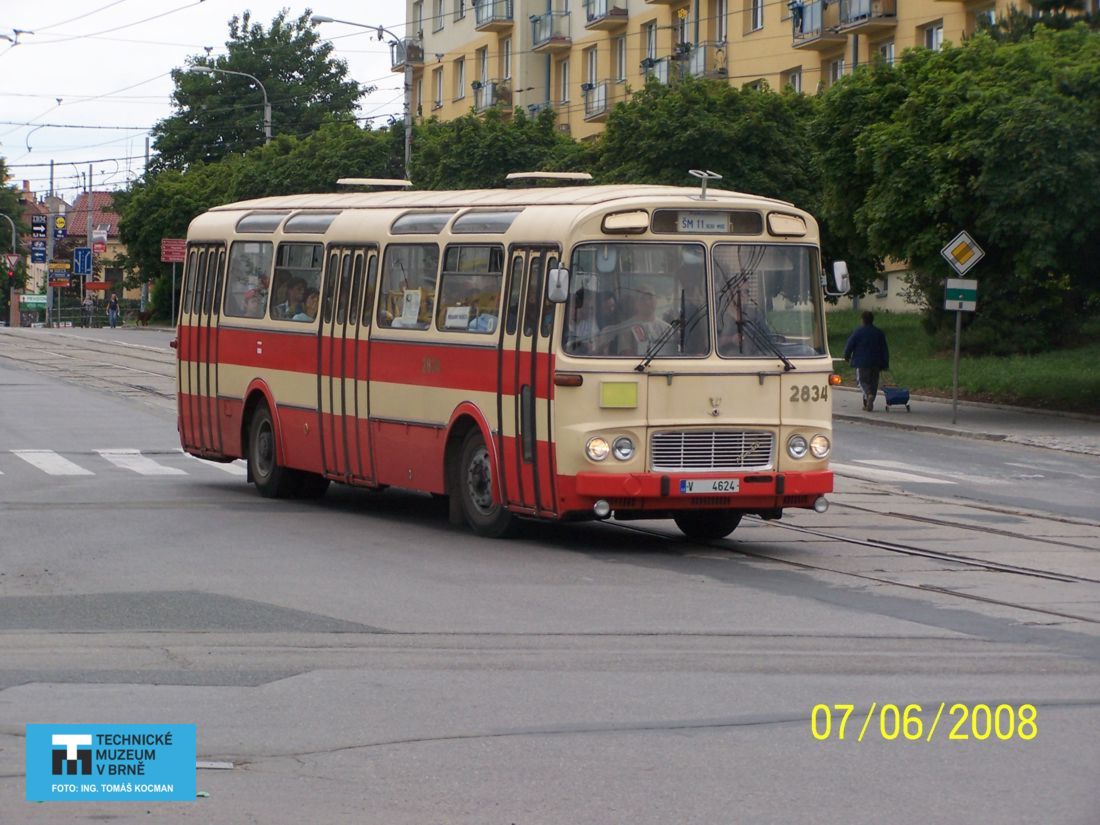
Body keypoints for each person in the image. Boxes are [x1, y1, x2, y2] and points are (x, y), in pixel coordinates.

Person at [844, 310, 890, 411]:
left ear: (862, 320)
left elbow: (849, 345)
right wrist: (885, 363)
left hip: (862, 362)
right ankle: (868, 403)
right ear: (872, 320)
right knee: (873, 383)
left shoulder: (858, 332)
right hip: (876, 362)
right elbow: (884, 349)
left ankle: (868, 395)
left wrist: (846, 356)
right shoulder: (879, 333)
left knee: (862, 381)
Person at [614, 285, 672, 357]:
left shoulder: (668, 329)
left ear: (656, 300)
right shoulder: (626, 328)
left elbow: (672, 354)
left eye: (650, 298)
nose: (647, 302)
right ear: (635, 303)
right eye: (642, 299)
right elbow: (626, 356)